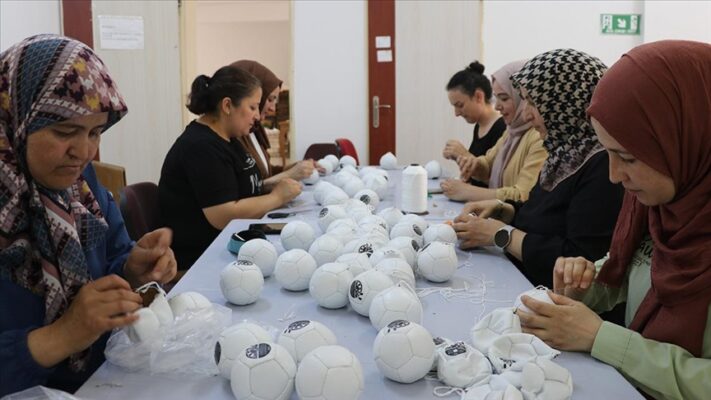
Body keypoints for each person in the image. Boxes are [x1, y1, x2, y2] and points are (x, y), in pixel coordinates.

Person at [517, 40, 711, 400]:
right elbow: (633, 269)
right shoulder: (665, 207)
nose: (613, 175)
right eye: (608, 153)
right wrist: (586, 285)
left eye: (628, 158)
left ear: (689, 139)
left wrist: (602, 338)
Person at [0, 34, 177, 396]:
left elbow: (114, 255)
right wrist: (62, 335)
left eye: (95, 132)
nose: (83, 152)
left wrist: (132, 269)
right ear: (15, 120)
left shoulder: (80, 187)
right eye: (65, 131)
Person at [453, 49, 624, 288]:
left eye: (533, 103)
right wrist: (505, 210)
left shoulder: (602, 166)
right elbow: (543, 215)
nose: (526, 114)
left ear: (565, 104)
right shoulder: (563, 155)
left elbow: (579, 258)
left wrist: (501, 235)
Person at [159, 66, 301, 270]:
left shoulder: (229, 138)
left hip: (230, 245)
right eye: (252, 107)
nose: (257, 116)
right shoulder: (200, 146)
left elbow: (242, 188)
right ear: (227, 105)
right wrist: (277, 197)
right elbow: (223, 214)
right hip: (201, 258)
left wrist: (276, 186)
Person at [441, 60, 547, 203]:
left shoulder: (539, 137)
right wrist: (473, 164)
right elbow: (488, 164)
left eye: (504, 98)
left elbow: (523, 195)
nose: (497, 107)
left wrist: (466, 191)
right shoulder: (511, 132)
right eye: (497, 98)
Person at [230, 60, 318, 181]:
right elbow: (249, 186)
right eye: (270, 99)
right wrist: (289, 175)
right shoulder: (235, 135)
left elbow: (265, 172)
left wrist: (296, 168)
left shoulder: (253, 130)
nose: (273, 108)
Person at [442, 61, 506, 187]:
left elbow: (499, 181)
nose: (457, 113)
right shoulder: (479, 126)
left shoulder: (502, 128)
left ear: (478, 97)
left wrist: (464, 154)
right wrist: (459, 158)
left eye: (460, 105)